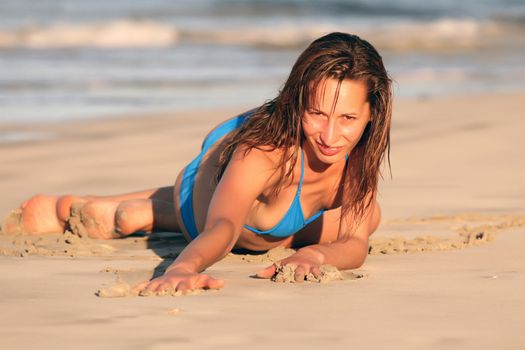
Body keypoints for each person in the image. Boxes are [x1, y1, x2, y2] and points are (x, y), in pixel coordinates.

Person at [2, 32, 392, 293]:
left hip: (256, 196)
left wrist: (316, 255)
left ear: (371, 113)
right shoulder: (265, 149)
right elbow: (221, 226)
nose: (329, 136)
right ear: (297, 102)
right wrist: (181, 269)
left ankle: (140, 210)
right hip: (205, 187)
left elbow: (356, 242)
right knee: (248, 229)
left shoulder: (359, 151)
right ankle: (159, 211)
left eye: (347, 119)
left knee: (368, 215)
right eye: (316, 113)